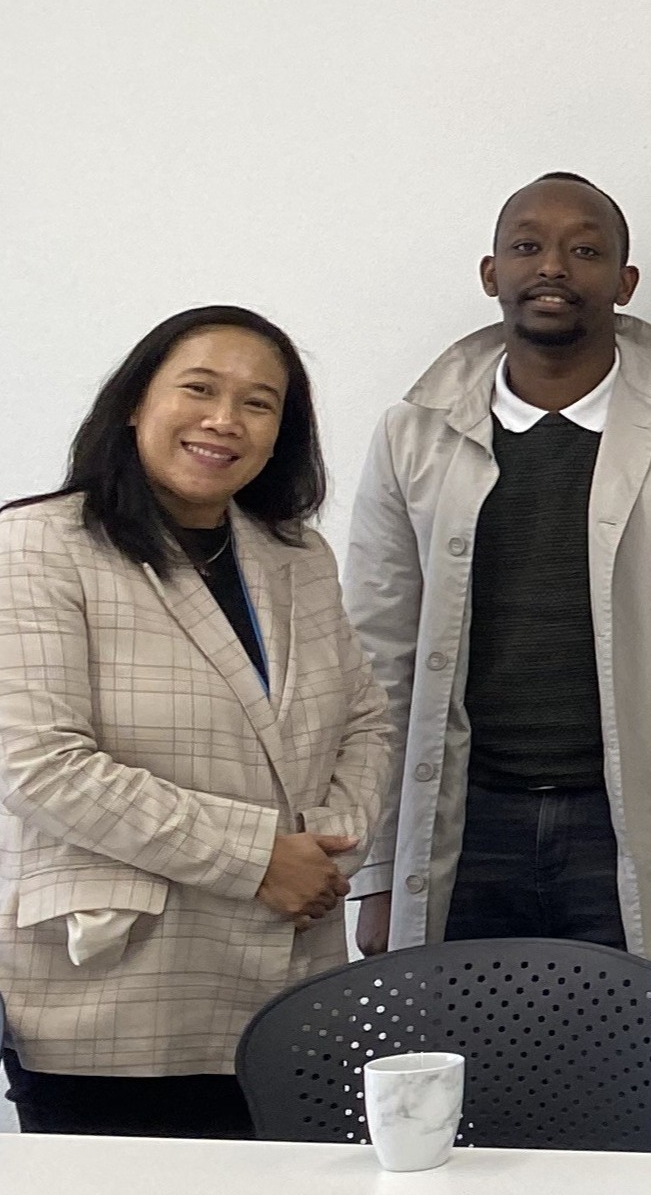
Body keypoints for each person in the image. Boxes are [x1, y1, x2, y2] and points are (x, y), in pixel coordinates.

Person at [341, 173, 651, 1120]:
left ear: (624, 281)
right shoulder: (414, 433)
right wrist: (381, 867)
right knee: (473, 1098)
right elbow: (375, 666)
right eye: (528, 246)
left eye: (585, 249)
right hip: (471, 830)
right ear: (489, 272)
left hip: (637, 825)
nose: (553, 266)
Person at [0, 306, 393, 1135]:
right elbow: (40, 764)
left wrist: (320, 848)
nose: (225, 420)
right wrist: (257, 858)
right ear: (137, 401)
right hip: (118, 987)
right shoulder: (37, 546)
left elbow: (366, 721)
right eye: (200, 389)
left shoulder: (295, 556)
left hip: (291, 978)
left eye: (259, 402)